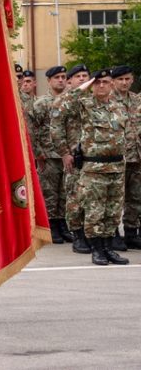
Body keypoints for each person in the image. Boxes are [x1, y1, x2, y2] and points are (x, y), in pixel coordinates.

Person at [57, 69, 129, 266]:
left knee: (113, 211)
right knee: (94, 211)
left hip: (116, 167)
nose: (102, 86)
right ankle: (97, 250)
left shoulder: (119, 107)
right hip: (94, 168)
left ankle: (108, 248)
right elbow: (60, 106)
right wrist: (85, 85)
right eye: (97, 83)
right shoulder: (84, 105)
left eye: (106, 82)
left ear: (112, 84)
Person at [52, 64, 92, 254]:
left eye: (85, 75)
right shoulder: (64, 101)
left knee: (92, 197)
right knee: (75, 196)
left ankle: (91, 233)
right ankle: (77, 235)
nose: (83, 79)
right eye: (78, 76)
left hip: (94, 156)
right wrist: (64, 153)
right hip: (74, 156)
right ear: (70, 81)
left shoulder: (94, 99)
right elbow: (57, 128)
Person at [29, 65, 70, 243]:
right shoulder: (41, 103)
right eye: (57, 77)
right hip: (48, 155)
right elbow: (32, 129)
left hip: (66, 154)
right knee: (49, 193)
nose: (61, 80)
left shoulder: (70, 101)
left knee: (65, 192)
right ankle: (51, 226)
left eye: (63, 77)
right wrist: (38, 154)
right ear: (49, 81)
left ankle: (62, 224)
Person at [112, 65, 141, 249]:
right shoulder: (107, 100)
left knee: (136, 197)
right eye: (120, 79)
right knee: (115, 198)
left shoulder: (137, 100)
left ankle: (131, 232)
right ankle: (113, 234)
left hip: (136, 157)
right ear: (114, 81)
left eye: (127, 79)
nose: (124, 82)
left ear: (132, 80)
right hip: (116, 159)